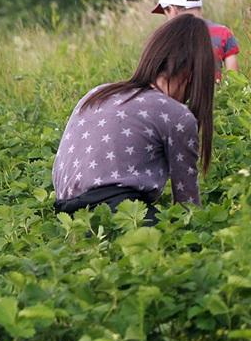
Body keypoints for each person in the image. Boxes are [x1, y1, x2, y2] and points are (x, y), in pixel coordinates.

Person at [52, 15, 214, 220]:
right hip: (119, 209)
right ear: (192, 74)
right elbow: (187, 205)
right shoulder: (176, 114)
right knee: (172, 245)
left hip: (65, 215)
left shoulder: (97, 93)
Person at [152, 0, 238, 78]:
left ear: (172, 9)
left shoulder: (164, 38)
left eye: (165, 13)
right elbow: (234, 80)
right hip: (216, 93)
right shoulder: (223, 33)